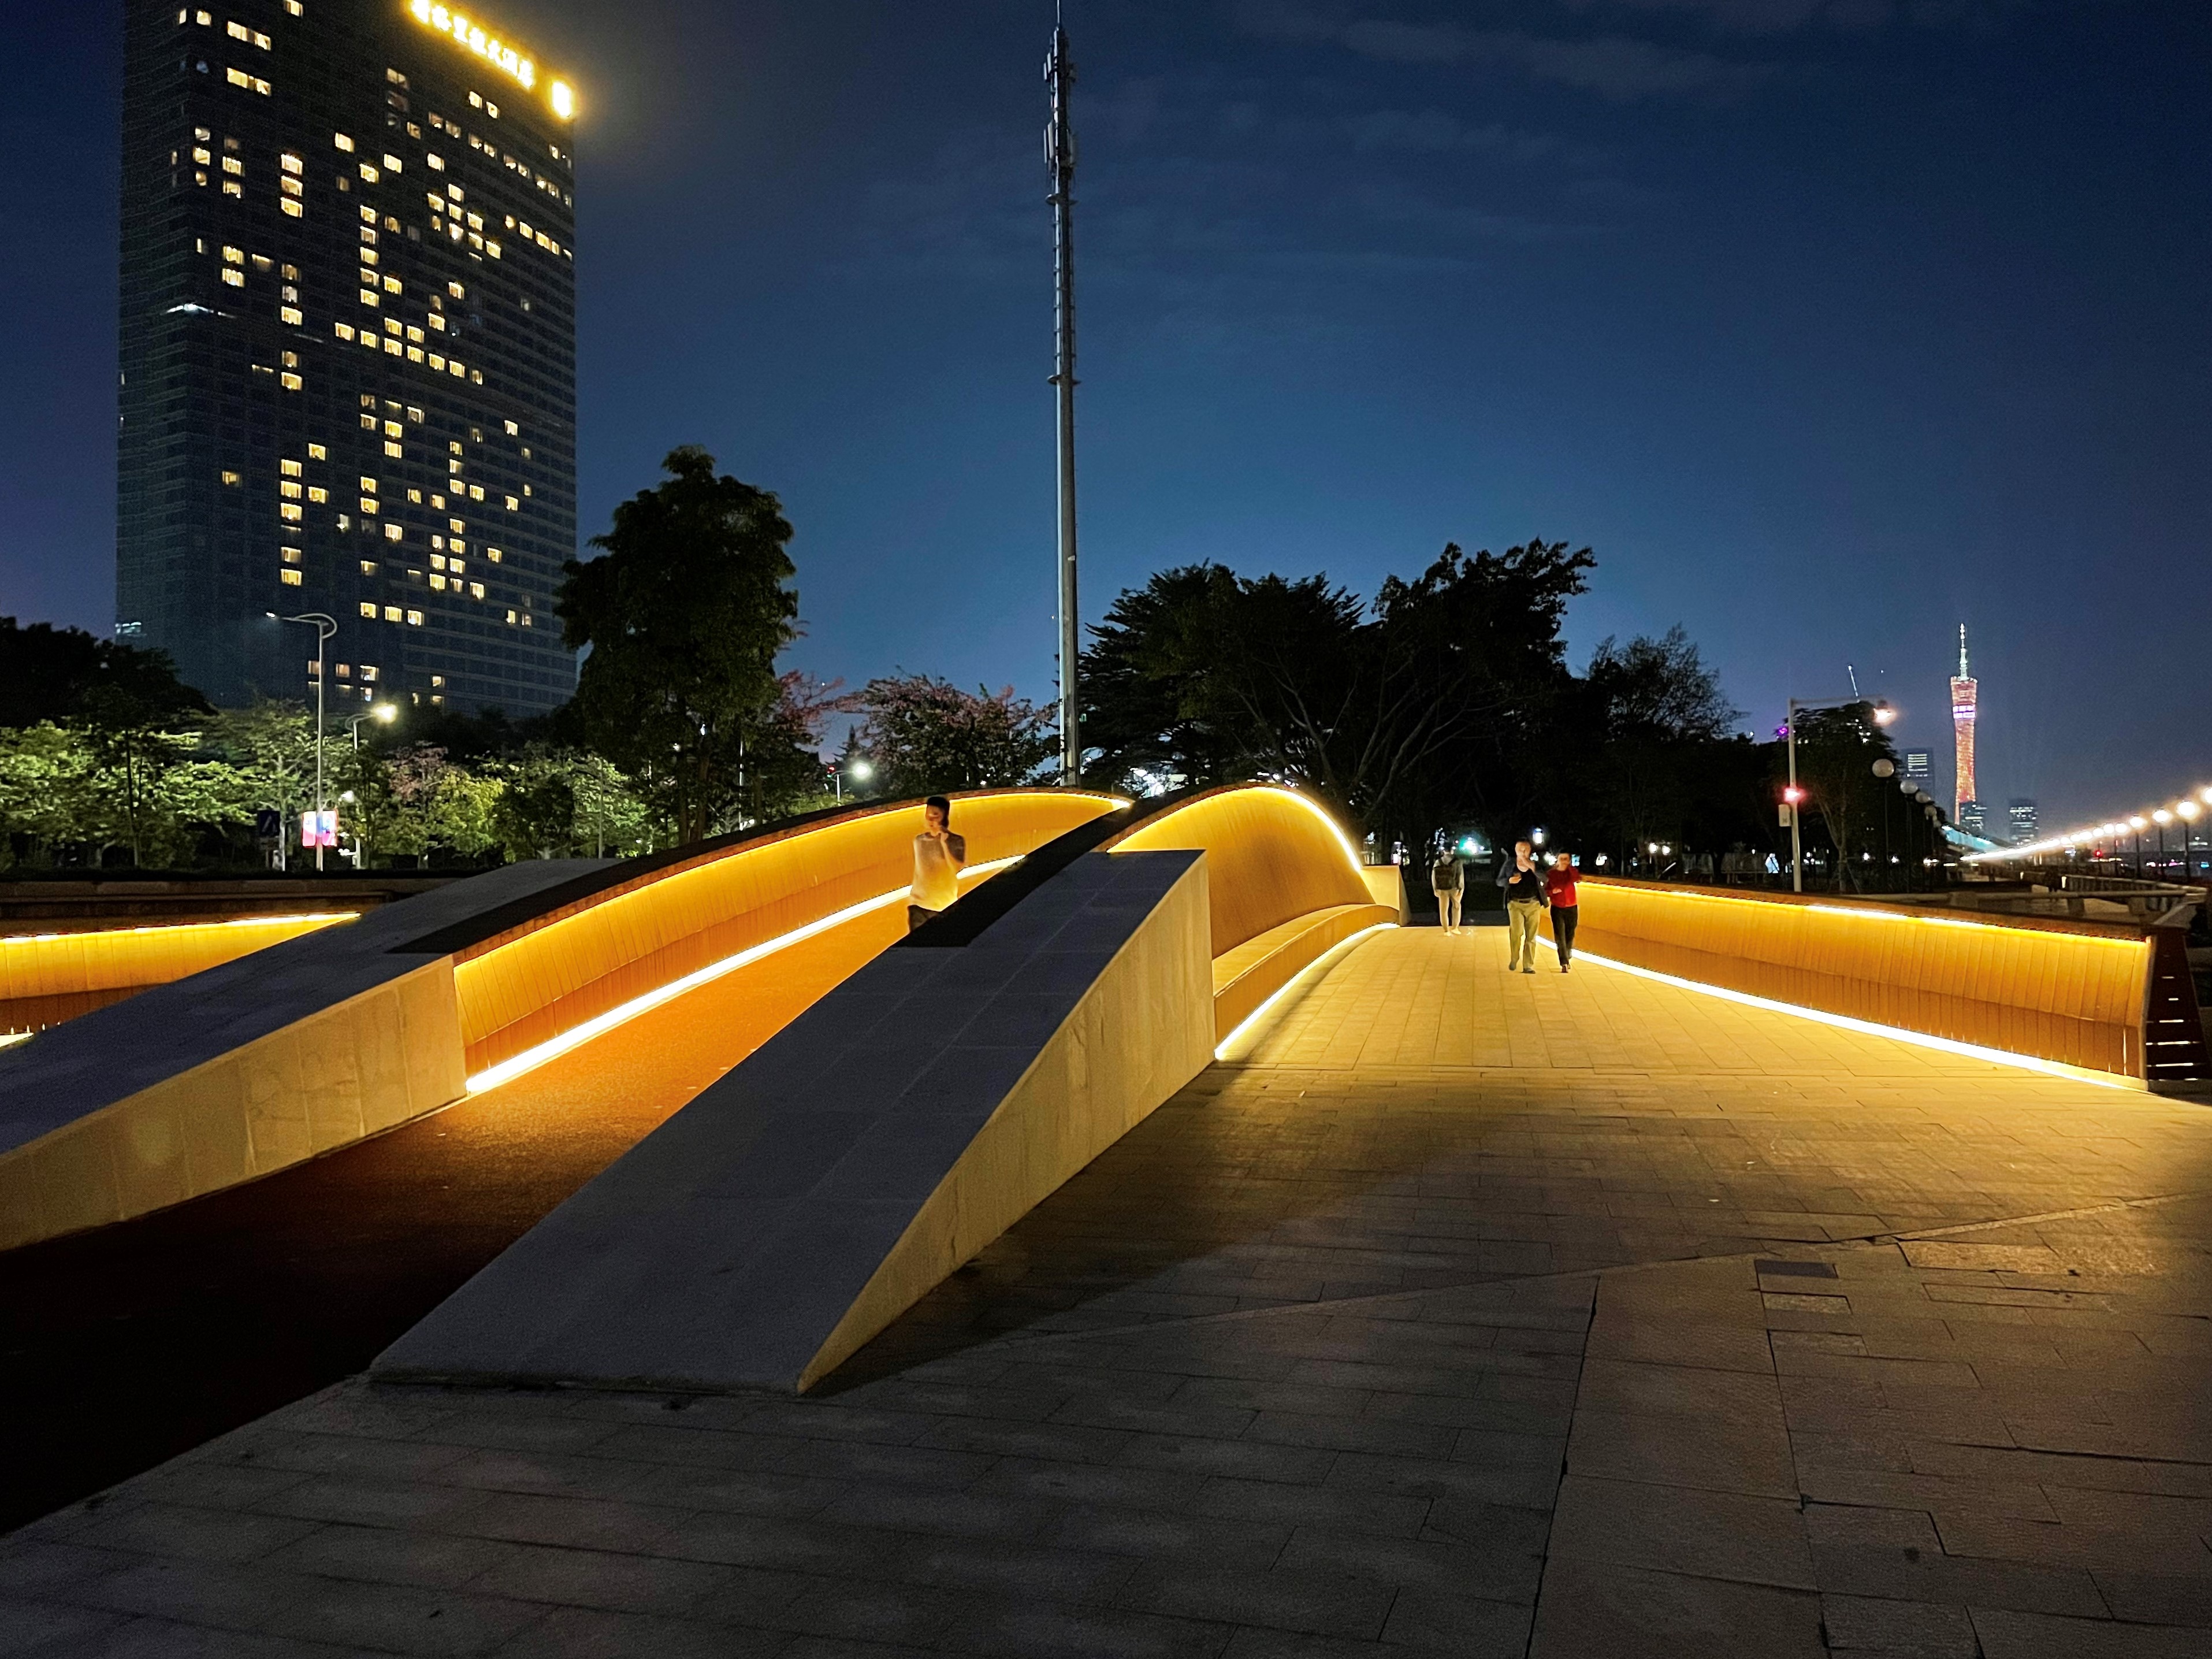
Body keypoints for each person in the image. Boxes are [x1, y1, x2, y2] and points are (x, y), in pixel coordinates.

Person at [908, 795, 966, 932]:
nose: (930, 819)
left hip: (945, 906)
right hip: (918, 906)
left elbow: (956, 867)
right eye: (928, 815)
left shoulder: (956, 841)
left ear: (945, 817)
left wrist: (944, 843)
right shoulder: (919, 841)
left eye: (936, 815)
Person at [1497, 839, 1546, 973]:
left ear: (1530, 851)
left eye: (1525, 849)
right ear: (1515, 850)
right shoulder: (1510, 865)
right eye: (1520, 849)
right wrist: (1509, 881)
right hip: (1515, 904)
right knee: (1516, 933)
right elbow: (1499, 881)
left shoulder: (1536, 864)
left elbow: (1545, 878)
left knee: (1531, 935)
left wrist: (1532, 867)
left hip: (1533, 904)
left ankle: (1528, 965)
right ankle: (1514, 958)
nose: (1522, 852)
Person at [1544, 851, 1580, 972]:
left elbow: (1576, 878)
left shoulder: (1571, 872)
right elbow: (1546, 890)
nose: (1564, 861)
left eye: (1566, 859)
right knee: (1560, 935)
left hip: (1572, 906)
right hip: (1557, 907)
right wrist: (1552, 892)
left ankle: (1568, 952)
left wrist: (1569, 868)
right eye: (1561, 859)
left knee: (1570, 932)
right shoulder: (1551, 874)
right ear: (1557, 860)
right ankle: (1564, 962)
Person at [1430, 844, 1464, 933]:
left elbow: (1434, 876)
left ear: (1444, 851)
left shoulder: (1438, 862)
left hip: (1442, 888)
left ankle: (1446, 930)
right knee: (1456, 907)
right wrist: (1461, 888)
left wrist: (1435, 888)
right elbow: (1460, 876)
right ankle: (1455, 928)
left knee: (1443, 910)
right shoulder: (1457, 861)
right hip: (1454, 888)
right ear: (1452, 850)